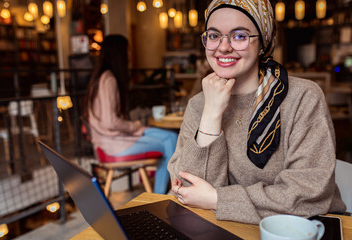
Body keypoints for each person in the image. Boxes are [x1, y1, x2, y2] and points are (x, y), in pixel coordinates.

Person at [167, 0, 346, 224]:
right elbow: (187, 190)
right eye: (213, 36)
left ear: (263, 43)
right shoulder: (199, 104)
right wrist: (211, 113)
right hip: (223, 228)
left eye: (239, 36)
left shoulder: (303, 97)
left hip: (304, 228)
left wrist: (216, 198)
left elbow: (307, 195)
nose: (223, 47)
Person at [86, 35, 178, 194]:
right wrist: (134, 126)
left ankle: (164, 193)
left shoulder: (101, 77)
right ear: (119, 54)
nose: (128, 55)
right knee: (170, 141)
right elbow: (111, 122)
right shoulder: (109, 80)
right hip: (114, 144)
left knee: (171, 138)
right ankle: (163, 195)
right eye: (126, 51)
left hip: (113, 139)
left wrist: (134, 127)